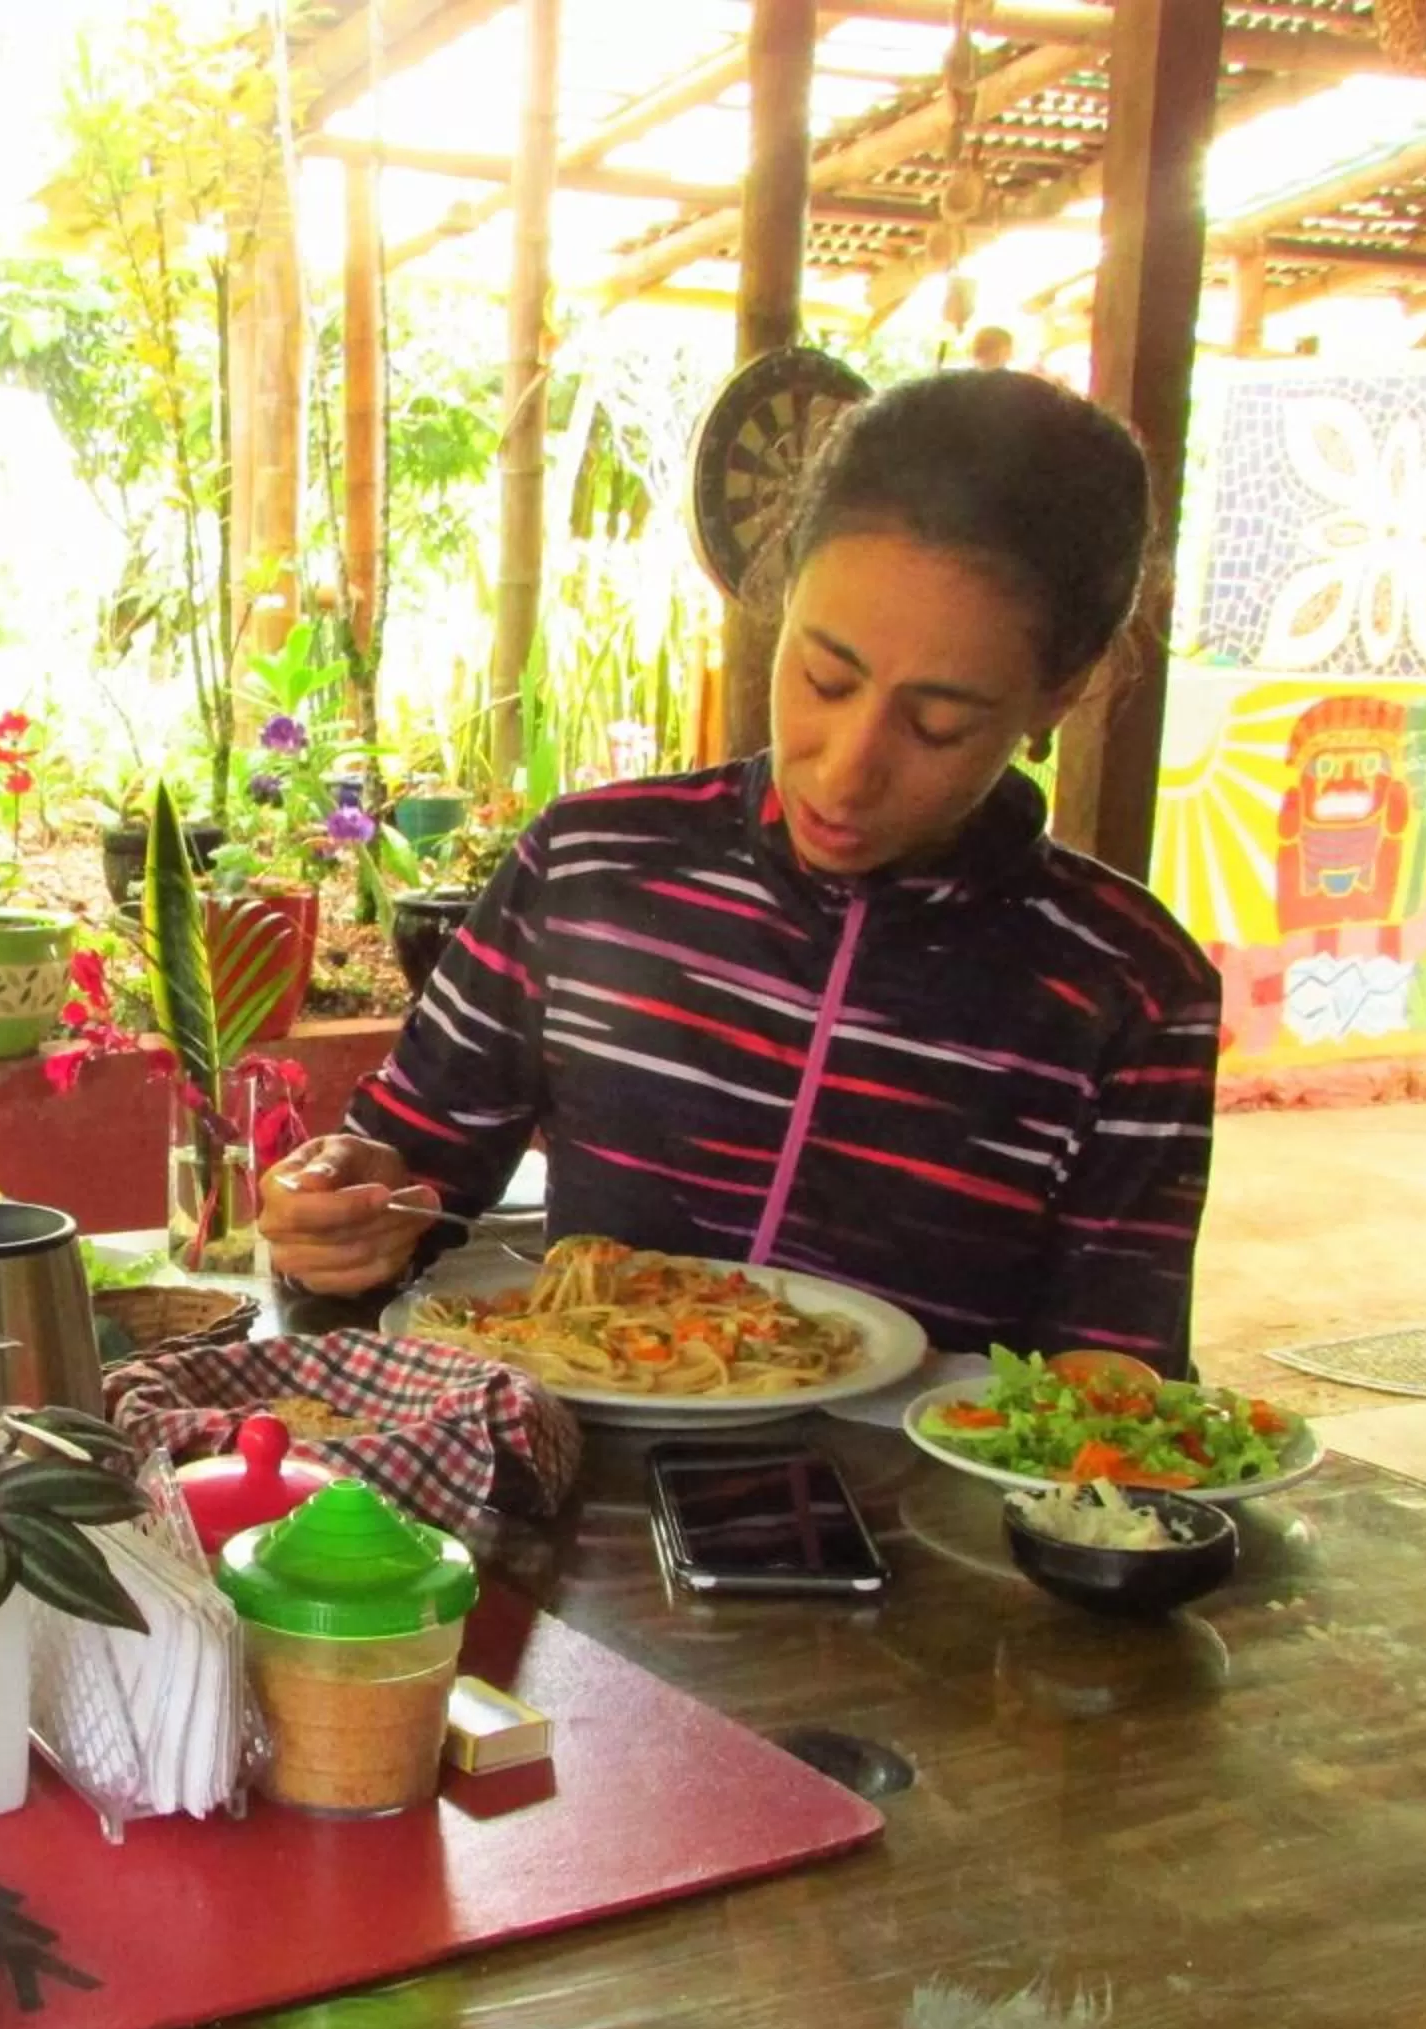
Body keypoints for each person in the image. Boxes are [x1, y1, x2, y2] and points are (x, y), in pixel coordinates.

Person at [259, 370, 1221, 1374]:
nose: (847, 771)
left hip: (917, 1528)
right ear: (782, 595)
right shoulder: (593, 871)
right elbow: (410, 1175)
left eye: (940, 723)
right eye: (824, 677)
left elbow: (1112, 1387)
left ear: (1056, 697)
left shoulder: (1130, 990)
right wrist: (343, 1212)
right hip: (569, 1500)